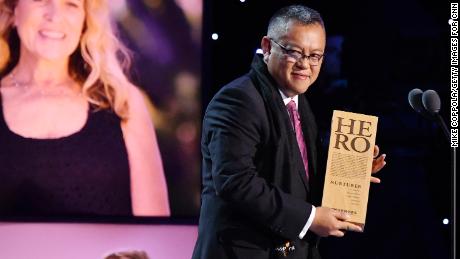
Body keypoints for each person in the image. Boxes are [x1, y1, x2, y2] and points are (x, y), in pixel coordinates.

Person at [192, 5, 386, 259]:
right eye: (294, 52)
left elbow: (295, 171)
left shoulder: (297, 100)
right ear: (268, 47)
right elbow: (235, 181)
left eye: (315, 55)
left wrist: (350, 171)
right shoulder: (238, 100)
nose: (305, 65)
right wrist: (311, 217)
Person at [0, 0, 170, 217]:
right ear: (13, 10)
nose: (55, 15)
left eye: (71, 4)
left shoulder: (123, 102)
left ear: (85, 22)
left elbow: (155, 231)